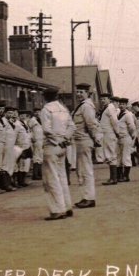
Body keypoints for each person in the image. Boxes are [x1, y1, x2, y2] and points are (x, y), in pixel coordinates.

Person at [40, 88, 75, 220]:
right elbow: (72, 127)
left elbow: (47, 130)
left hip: (52, 146)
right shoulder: (64, 109)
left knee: (51, 179)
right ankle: (67, 206)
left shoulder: (46, 110)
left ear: (45, 97)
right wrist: (65, 139)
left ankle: (57, 209)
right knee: (62, 177)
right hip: (63, 146)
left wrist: (57, 141)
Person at [72, 83, 101, 208]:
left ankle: (89, 198)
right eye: (77, 92)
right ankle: (85, 196)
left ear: (87, 93)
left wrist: (96, 139)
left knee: (85, 170)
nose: (79, 94)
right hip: (79, 141)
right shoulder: (81, 106)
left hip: (84, 140)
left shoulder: (87, 107)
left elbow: (91, 125)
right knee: (81, 170)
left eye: (81, 92)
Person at [99, 94, 121, 185]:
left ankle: (114, 178)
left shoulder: (110, 108)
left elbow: (114, 121)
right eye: (101, 99)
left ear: (109, 99)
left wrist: (117, 132)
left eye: (104, 99)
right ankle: (112, 178)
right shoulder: (107, 108)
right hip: (106, 133)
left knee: (111, 155)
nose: (102, 100)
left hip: (109, 133)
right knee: (109, 154)